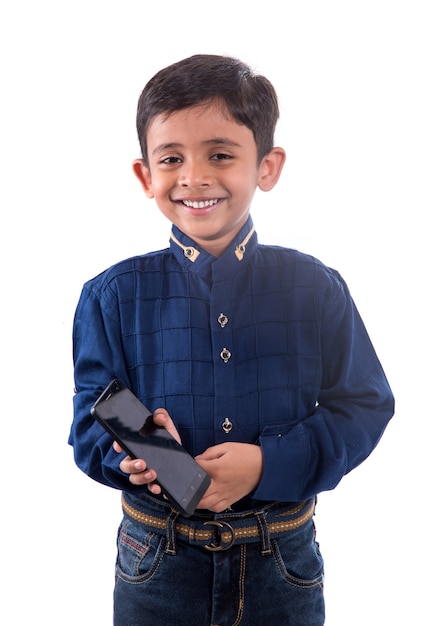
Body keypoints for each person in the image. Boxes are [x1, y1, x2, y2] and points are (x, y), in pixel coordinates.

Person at [69, 54, 394, 626]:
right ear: (147, 176)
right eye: (172, 159)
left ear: (266, 167)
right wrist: (133, 458)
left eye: (220, 154)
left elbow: (365, 407)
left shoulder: (316, 287)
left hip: (282, 563)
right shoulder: (111, 296)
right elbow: (90, 424)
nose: (195, 177)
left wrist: (267, 464)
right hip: (156, 562)